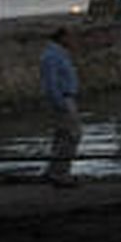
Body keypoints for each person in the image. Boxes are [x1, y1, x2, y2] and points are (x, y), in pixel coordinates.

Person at [39, 27, 82, 186]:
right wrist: (60, 103)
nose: (73, 40)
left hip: (66, 98)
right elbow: (51, 83)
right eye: (70, 37)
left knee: (61, 136)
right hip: (63, 99)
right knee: (72, 135)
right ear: (62, 38)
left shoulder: (59, 54)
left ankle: (53, 171)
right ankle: (61, 173)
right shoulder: (52, 56)